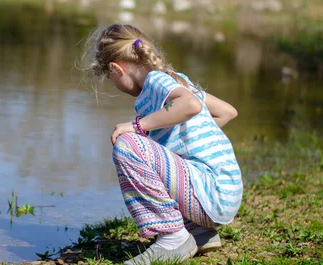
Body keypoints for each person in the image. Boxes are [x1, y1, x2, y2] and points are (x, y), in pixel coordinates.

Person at [81, 24, 243, 264]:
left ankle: (173, 238)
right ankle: (199, 233)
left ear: (117, 68)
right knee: (153, 152)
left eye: (110, 77)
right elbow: (227, 112)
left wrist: (138, 126)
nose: (114, 84)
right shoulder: (178, 80)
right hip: (223, 193)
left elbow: (191, 106)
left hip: (211, 193)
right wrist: (188, 136)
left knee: (128, 144)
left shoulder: (157, 82)